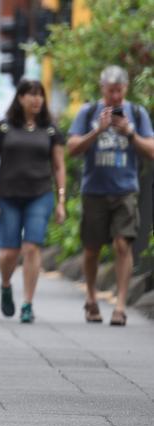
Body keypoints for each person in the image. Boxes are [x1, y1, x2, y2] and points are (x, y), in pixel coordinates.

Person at [67, 65, 154, 326]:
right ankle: (92, 298)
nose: (115, 96)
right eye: (110, 90)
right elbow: (71, 148)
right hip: (94, 190)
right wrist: (97, 131)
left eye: (119, 90)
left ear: (125, 89)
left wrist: (129, 133)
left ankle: (120, 304)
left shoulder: (137, 114)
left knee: (122, 244)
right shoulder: (89, 112)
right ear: (102, 88)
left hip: (125, 189)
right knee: (92, 248)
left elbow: (151, 149)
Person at [0, 79, 66, 324]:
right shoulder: (3, 128)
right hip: (9, 196)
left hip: (40, 194)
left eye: (40, 95)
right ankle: (6, 285)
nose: (36, 99)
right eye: (31, 95)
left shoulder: (50, 130)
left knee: (31, 247)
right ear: (20, 98)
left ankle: (27, 302)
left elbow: (59, 166)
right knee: (9, 253)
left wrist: (60, 199)